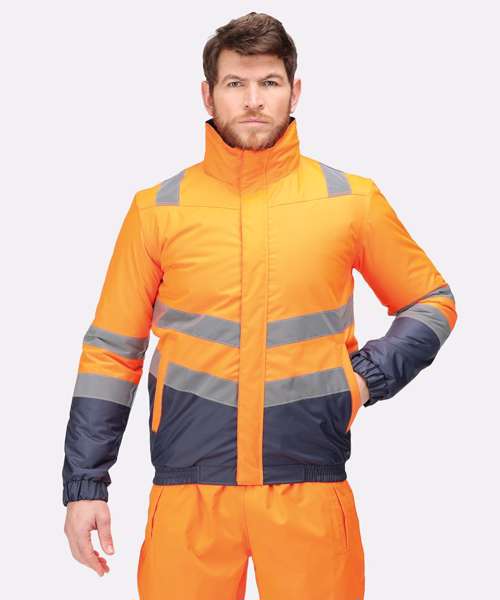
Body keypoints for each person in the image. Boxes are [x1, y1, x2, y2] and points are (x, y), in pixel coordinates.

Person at [62, 11, 458, 600]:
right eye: (236, 83)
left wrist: (364, 379)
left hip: (309, 487)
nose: (253, 100)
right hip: (189, 492)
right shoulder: (157, 210)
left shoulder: (351, 201)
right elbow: (111, 353)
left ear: (294, 91)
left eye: (269, 82)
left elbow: (432, 301)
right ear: (208, 94)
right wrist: (85, 485)